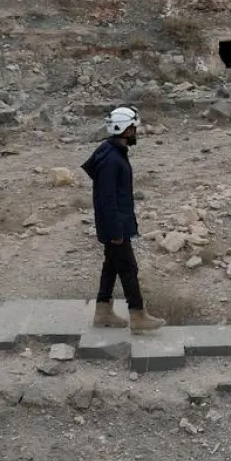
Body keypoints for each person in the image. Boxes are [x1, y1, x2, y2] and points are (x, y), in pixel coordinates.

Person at [82, 106, 165, 333]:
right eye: (133, 128)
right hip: (115, 225)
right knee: (128, 268)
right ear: (125, 129)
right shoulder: (111, 160)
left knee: (111, 266)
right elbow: (107, 200)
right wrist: (117, 231)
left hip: (115, 223)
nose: (135, 132)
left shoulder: (112, 152)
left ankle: (102, 311)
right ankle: (138, 316)